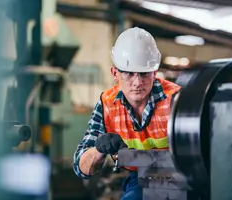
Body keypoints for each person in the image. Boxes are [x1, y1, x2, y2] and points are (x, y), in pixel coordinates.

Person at [73, 27, 181, 200]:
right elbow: (82, 168)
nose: (137, 82)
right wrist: (100, 149)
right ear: (115, 73)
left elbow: (194, 161)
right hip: (141, 181)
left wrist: (131, 157)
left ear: (154, 72)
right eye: (129, 73)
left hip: (181, 179)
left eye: (144, 74)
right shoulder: (107, 105)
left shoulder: (176, 100)